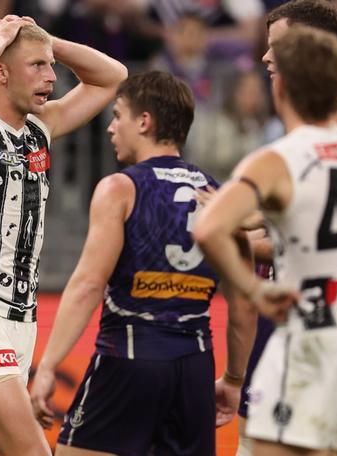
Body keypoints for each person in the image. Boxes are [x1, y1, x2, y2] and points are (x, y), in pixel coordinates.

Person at [0, 15, 127, 455]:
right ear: (0, 70)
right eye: (37, 65)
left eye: (50, 65)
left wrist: (47, 40)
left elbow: (113, 77)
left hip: (20, 321)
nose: (52, 77)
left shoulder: (41, 126)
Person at [29, 70, 256, 455]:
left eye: (119, 116)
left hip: (131, 357)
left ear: (145, 122)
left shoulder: (120, 188)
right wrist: (233, 379)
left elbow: (88, 284)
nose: (111, 129)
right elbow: (245, 303)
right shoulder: (220, 196)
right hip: (195, 366)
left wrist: (49, 364)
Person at [194, 26, 337, 456]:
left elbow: (208, 227)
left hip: (307, 336)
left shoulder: (277, 158)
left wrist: (252, 288)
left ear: (283, 86)